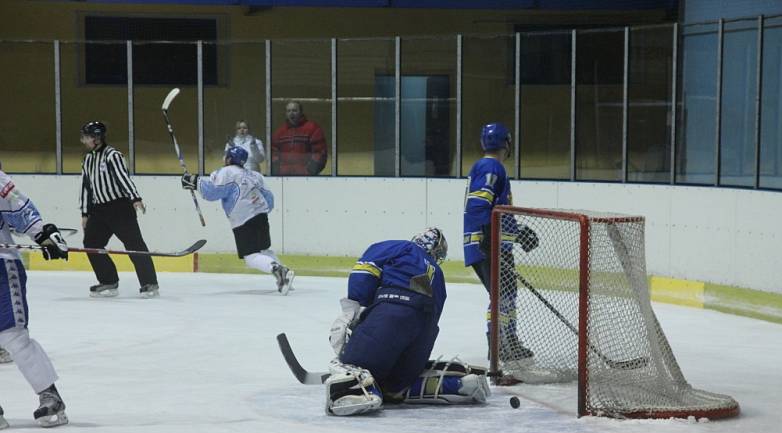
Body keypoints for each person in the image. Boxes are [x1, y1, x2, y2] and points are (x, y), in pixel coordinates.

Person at [324, 227, 490, 416]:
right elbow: (432, 318)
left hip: (392, 316)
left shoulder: (399, 247)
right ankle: (452, 384)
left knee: (351, 363)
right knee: (394, 386)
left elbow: (365, 272)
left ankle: (358, 391)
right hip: (424, 335)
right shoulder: (438, 275)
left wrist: (352, 309)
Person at [462, 123, 538, 363]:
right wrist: (487, 238)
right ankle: (498, 344)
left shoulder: (489, 166)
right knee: (501, 295)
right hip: (488, 245)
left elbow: (498, 214)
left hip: (494, 244)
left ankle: (508, 341)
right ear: (507, 143)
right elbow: (478, 203)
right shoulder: (490, 166)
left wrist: (519, 233)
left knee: (506, 294)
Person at [0, 167, 69, 429]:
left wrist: (42, 233)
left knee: (12, 336)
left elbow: (17, 204)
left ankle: (49, 395)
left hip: (1, 267)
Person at [181, 146, 294, 295]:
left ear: (229, 159)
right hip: (261, 216)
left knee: (251, 257)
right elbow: (269, 198)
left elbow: (213, 192)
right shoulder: (254, 175)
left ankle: (278, 270)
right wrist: (258, 211)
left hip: (243, 220)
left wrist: (194, 182)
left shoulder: (227, 172)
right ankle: (285, 278)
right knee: (264, 250)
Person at [79, 121, 159, 298]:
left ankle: (150, 283)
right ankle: (108, 281)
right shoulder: (88, 159)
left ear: (96, 138)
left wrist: (135, 198)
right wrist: (85, 213)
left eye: (86, 137)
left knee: (134, 245)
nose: (83, 140)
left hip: (119, 208)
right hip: (99, 210)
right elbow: (86, 187)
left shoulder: (112, 155)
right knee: (91, 244)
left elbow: (123, 178)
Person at [271, 101, 328, 176]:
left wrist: (310, 171)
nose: (291, 113)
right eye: (288, 111)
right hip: (284, 177)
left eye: (294, 110)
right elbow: (273, 152)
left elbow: (320, 152)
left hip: (307, 178)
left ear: (301, 112)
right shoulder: (280, 132)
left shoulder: (312, 128)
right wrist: (278, 170)